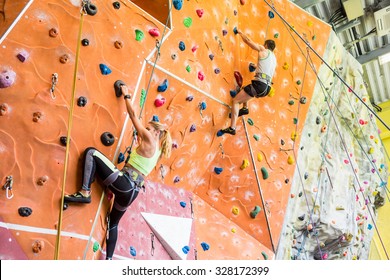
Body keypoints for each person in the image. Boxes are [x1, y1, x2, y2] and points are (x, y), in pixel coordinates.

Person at [64, 84, 172, 260]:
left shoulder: (150, 140)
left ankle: (85, 191)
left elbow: (133, 115)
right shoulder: (158, 151)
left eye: (150, 128)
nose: (147, 130)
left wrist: (126, 95)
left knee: (91, 152)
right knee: (113, 223)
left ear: (156, 132)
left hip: (125, 183)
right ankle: (108, 260)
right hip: (132, 193)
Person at [219, 29, 277, 136]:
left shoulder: (263, 50)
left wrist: (240, 32)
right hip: (266, 88)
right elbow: (265, 69)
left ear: (266, 45)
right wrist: (255, 67)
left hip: (259, 85)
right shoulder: (274, 58)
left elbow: (248, 41)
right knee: (246, 89)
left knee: (236, 101)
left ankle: (232, 128)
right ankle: (245, 108)